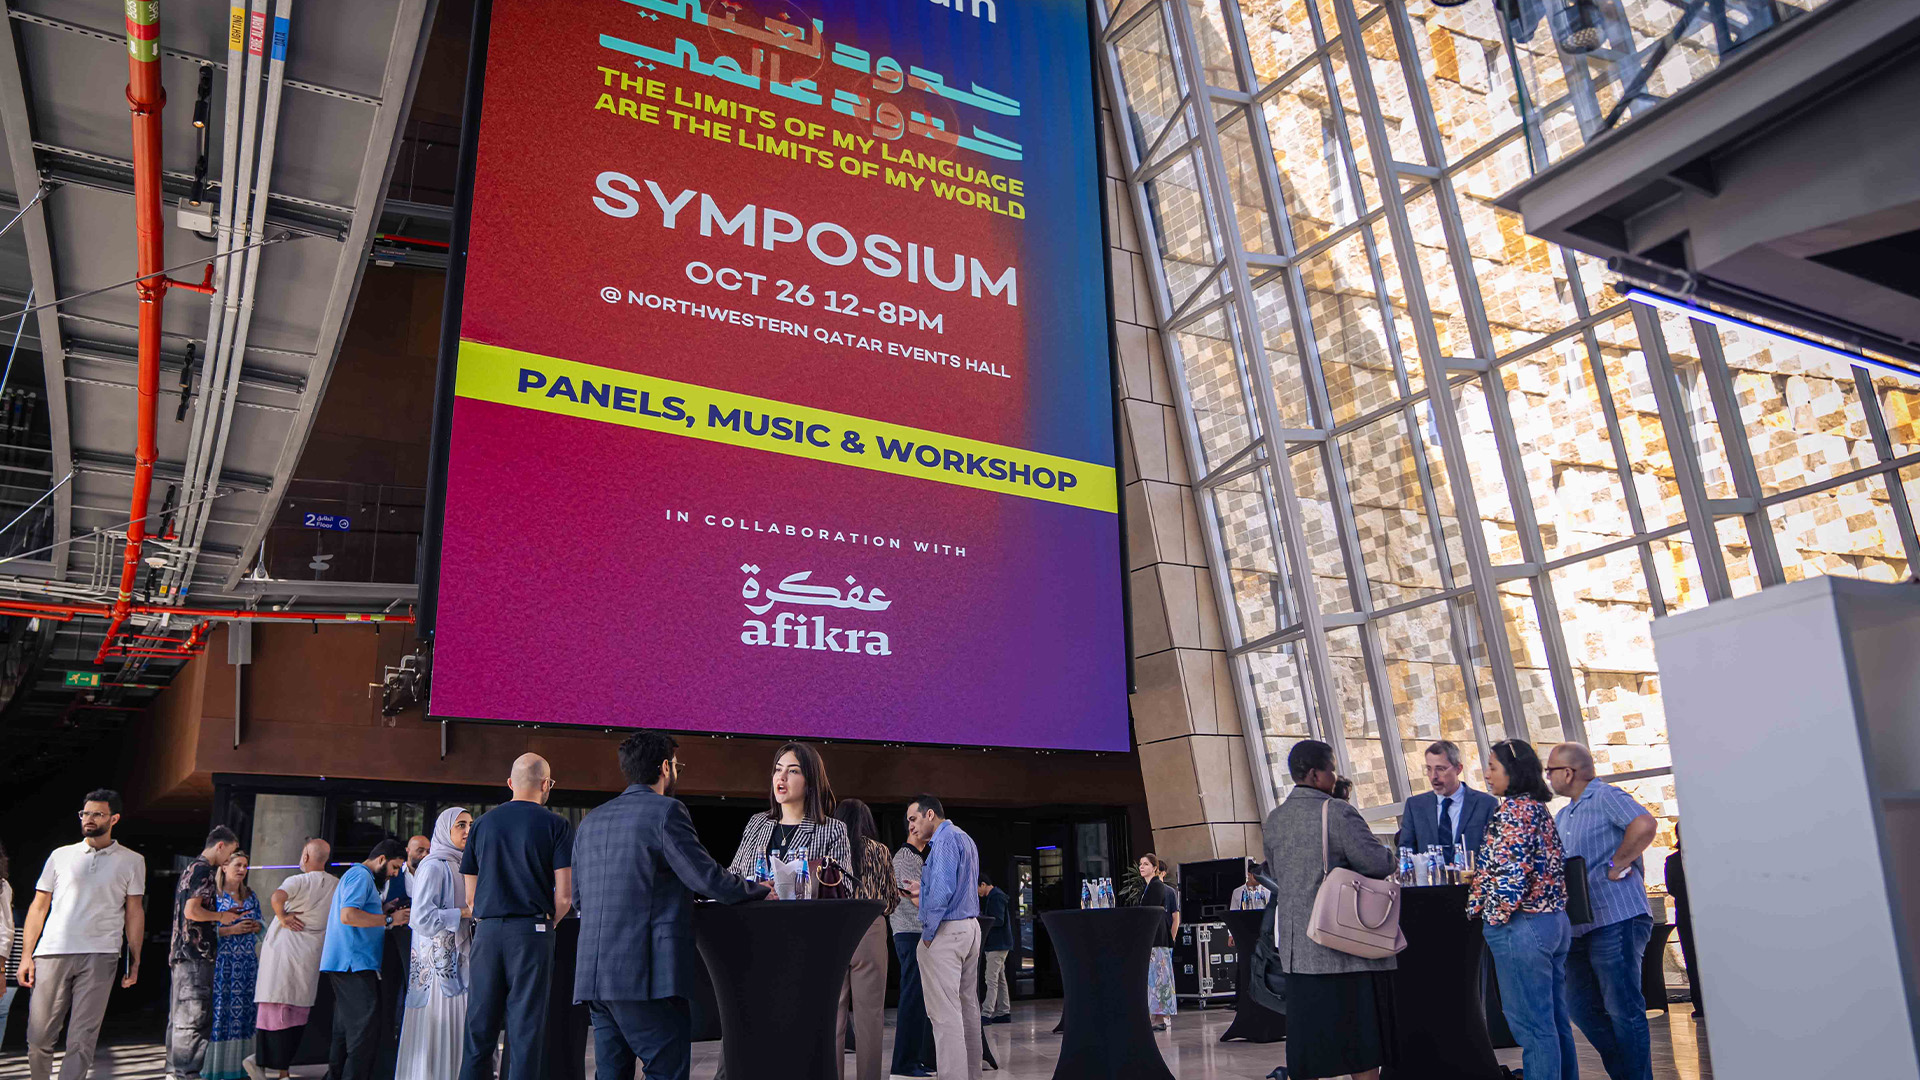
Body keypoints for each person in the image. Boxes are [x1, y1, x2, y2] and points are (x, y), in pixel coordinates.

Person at [572, 731, 767, 1080]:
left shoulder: (591, 821)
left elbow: (579, 897)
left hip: (595, 977)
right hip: (645, 975)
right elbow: (706, 878)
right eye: (676, 765)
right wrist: (759, 890)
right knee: (666, 1071)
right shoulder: (666, 811)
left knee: (610, 1074)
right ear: (665, 767)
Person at [1264, 740, 1397, 1080]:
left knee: (1309, 1042)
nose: (1335, 776)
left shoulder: (1275, 819)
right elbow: (1377, 862)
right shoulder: (1337, 812)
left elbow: (1277, 874)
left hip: (1298, 951)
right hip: (1341, 945)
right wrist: (1392, 856)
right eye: (1332, 768)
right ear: (1314, 774)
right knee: (1359, 1037)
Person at [459, 754, 574, 1080]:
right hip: (532, 932)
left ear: (510, 783)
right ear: (546, 785)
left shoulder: (481, 824)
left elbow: (471, 896)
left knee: (478, 1029)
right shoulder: (557, 824)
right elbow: (564, 896)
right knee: (525, 1031)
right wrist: (543, 925)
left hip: (488, 932)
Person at [1549, 742, 1657, 1080]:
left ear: (1568, 772)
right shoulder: (1565, 815)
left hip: (1616, 918)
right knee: (1581, 1008)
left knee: (1623, 1010)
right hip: (1579, 927)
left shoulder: (1605, 796)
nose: (1547, 777)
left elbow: (1643, 824)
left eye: (1550, 770)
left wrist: (1618, 862)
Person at [21, 789, 147, 1080]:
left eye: (97, 814)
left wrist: (135, 959)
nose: (89, 819)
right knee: (38, 1036)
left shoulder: (132, 861)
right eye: (85, 813)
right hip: (52, 952)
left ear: (114, 818)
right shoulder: (60, 855)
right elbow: (38, 907)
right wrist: (27, 955)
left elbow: (134, 912)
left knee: (82, 1039)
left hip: (101, 954)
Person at [1469, 739, 1576, 1080]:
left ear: (1512, 772)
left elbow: (1512, 876)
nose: (1486, 774)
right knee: (1554, 1023)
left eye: (1492, 767)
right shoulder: (1536, 808)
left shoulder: (1514, 811)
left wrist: (1491, 918)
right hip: (1552, 923)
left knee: (1532, 1028)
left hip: (1523, 926)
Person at [901, 795, 981, 1080]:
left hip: (947, 930)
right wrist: (922, 887)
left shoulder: (944, 841)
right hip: (970, 928)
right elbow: (955, 885)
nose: (911, 827)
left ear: (930, 814)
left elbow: (944, 891)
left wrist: (928, 935)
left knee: (944, 1015)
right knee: (968, 1009)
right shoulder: (964, 838)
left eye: (913, 819)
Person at [319, 839, 411, 1080]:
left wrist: (383, 909)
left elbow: (358, 912)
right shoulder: (360, 876)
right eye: (393, 867)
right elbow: (348, 915)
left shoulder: (361, 878)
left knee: (343, 1031)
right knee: (364, 1032)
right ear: (381, 859)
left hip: (348, 963)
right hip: (353, 964)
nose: (393, 874)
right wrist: (390, 920)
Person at [395, 809, 475, 1080]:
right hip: (438, 973)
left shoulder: (463, 863)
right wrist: (464, 912)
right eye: (460, 825)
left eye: (470, 825)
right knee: (438, 1032)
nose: (467, 830)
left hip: (459, 964)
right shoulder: (434, 865)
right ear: (445, 830)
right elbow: (421, 917)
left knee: (459, 1032)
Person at [252, 839, 337, 1080]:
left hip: (284, 950)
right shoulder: (335, 884)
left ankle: (271, 1068)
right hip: (310, 954)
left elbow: (277, 897)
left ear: (306, 857)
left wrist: (283, 917)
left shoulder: (298, 880)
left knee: (274, 1010)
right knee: (297, 1012)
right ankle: (283, 1071)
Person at [168, 825, 242, 1079]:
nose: (228, 860)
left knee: (180, 1020)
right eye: (229, 853)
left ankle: (176, 1071)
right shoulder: (204, 871)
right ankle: (186, 1074)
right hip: (196, 956)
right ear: (220, 845)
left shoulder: (190, 868)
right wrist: (222, 916)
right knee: (194, 1021)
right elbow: (192, 911)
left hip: (182, 954)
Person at [831, 798, 897, 1080]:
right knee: (870, 1016)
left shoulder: (830, 850)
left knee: (832, 1016)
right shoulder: (880, 851)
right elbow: (892, 899)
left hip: (834, 930)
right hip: (871, 928)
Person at [726, 741, 852, 880]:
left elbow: (843, 887)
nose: (782, 776)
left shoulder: (832, 830)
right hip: (756, 903)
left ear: (810, 782)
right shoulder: (757, 822)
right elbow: (734, 873)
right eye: (778, 769)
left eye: (793, 771)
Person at [205, 852, 263, 1080]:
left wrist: (256, 926)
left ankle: (242, 1068)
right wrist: (231, 930)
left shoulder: (250, 895)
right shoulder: (212, 896)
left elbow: (263, 923)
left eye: (246, 866)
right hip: (222, 963)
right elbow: (202, 931)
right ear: (225, 866)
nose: (242, 869)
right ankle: (216, 1069)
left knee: (246, 1014)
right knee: (220, 1013)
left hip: (247, 963)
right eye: (238, 865)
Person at [1396, 740, 1498, 864]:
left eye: (1440, 769)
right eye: (1429, 769)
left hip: (1473, 880)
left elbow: (1494, 853)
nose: (1433, 776)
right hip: (1430, 881)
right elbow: (1405, 853)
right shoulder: (1415, 806)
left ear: (1458, 769)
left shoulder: (1486, 804)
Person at [889, 828, 936, 1078]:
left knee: (920, 999)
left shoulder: (920, 857)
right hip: (910, 933)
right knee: (912, 998)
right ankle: (905, 1064)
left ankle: (918, 1060)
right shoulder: (906, 858)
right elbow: (912, 896)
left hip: (916, 933)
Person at [1135, 855, 1179, 1032]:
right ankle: (1156, 1016)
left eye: (1146, 864)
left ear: (1155, 867)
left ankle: (1160, 1017)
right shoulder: (1148, 887)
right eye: (1140, 864)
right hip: (1152, 937)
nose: (1141, 867)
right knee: (1154, 978)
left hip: (1157, 938)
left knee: (1159, 977)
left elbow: (1151, 913)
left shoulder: (1157, 886)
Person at [1665, 823, 1702, 1020]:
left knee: (1692, 959)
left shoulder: (1672, 861)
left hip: (1686, 914)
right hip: (1694, 913)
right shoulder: (1703, 859)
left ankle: (1700, 1004)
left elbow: (1672, 889)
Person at [974, 876, 1012, 1025]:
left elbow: (998, 920)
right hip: (1000, 944)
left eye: (977, 888)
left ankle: (986, 1013)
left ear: (983, 884)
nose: (977, 892)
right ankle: (1004, 1011)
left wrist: (982, 918)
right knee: (1000, 979)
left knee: (991, 979)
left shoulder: (996, 897)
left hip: (997, 945)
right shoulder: (996, 896)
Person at [386, 835, 430, 910]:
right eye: (420, 851)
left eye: (428, 851)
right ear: (408, 851)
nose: (425, 855)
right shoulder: (392, 874)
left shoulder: (434, 876)